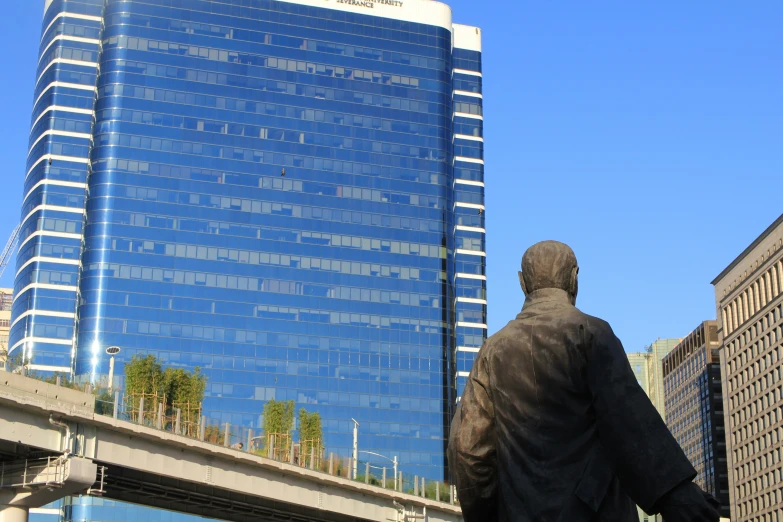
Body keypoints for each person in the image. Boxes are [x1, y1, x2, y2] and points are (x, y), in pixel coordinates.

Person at [448, 241, 721, 522]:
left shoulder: (493, 350)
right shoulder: (591, 334)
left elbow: (467, 449)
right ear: (574, 277)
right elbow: (629, 420)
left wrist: (486, 514)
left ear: (522, 282)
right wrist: (675, 493)